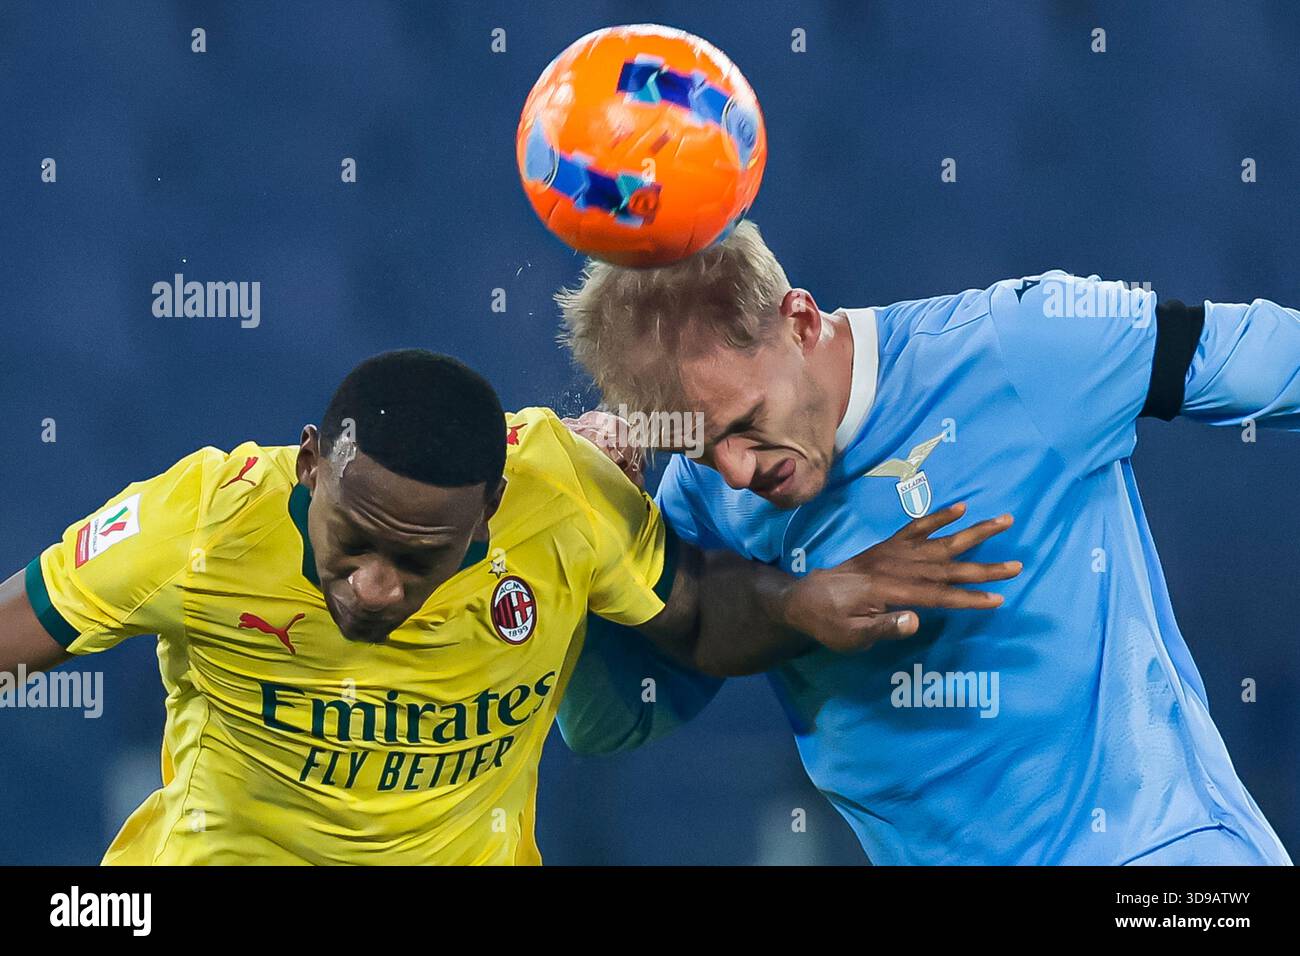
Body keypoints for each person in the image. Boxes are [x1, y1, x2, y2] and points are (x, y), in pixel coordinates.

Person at [0, 348, 1018, 865]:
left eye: (421, 558)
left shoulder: (559, 494)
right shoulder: (201, 521)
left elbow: (697, 615)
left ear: (490, 509)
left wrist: (802, 601)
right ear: (312, 463)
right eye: (350, 541)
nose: (377, 587)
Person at [556, 220, 1297, 865]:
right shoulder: (704, 498)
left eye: (748, 421)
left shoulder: (1024, 346)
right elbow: (607, 720)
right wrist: (597, 522)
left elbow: (1273, 360)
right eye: (702, 448)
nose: (737, 471)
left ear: (802, 322)